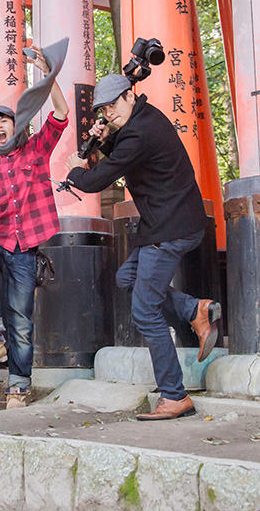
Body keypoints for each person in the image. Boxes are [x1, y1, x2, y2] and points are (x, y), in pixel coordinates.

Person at [64, 74, 221, 420]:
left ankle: (174, 395)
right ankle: (195, 310)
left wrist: (76, 172)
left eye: (112, 107)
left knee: (144, 310)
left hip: (170, 229)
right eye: (103, 111)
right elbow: (127, 156)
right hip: (171, 223)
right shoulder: (145, 119)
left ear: (129, 96)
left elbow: (98, 179)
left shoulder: (138, 132)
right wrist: (107, 140)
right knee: (126, 278)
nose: (109, 115)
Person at [0, 48, 69, 409]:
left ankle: (19, 386)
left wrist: (47, 74)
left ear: (16, 124)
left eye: (5, 120)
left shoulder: (35, 150)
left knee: (21, 317)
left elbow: (62, 115)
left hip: (26, 243)